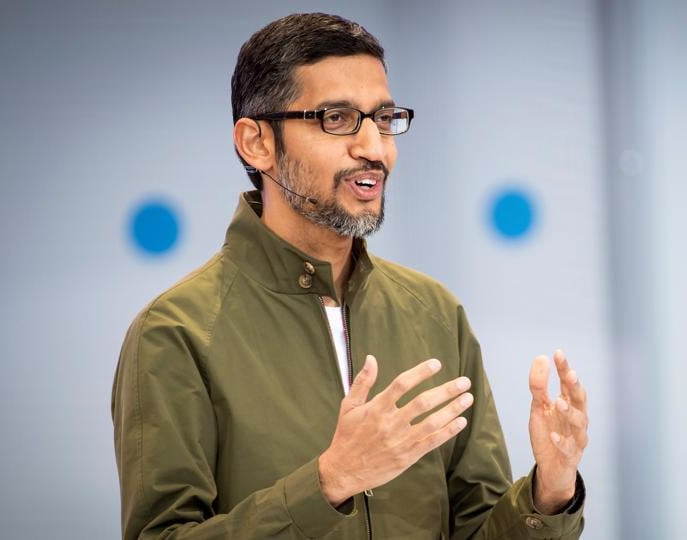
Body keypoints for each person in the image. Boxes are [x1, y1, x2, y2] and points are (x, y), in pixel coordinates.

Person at [112, 12, 589, 540]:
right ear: (256, 143)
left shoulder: (433, 312)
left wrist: (550, 494)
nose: (374, 148)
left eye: (384, 120)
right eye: (337, 119)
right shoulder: (177, 331)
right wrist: (329, 483)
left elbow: (476, 527)